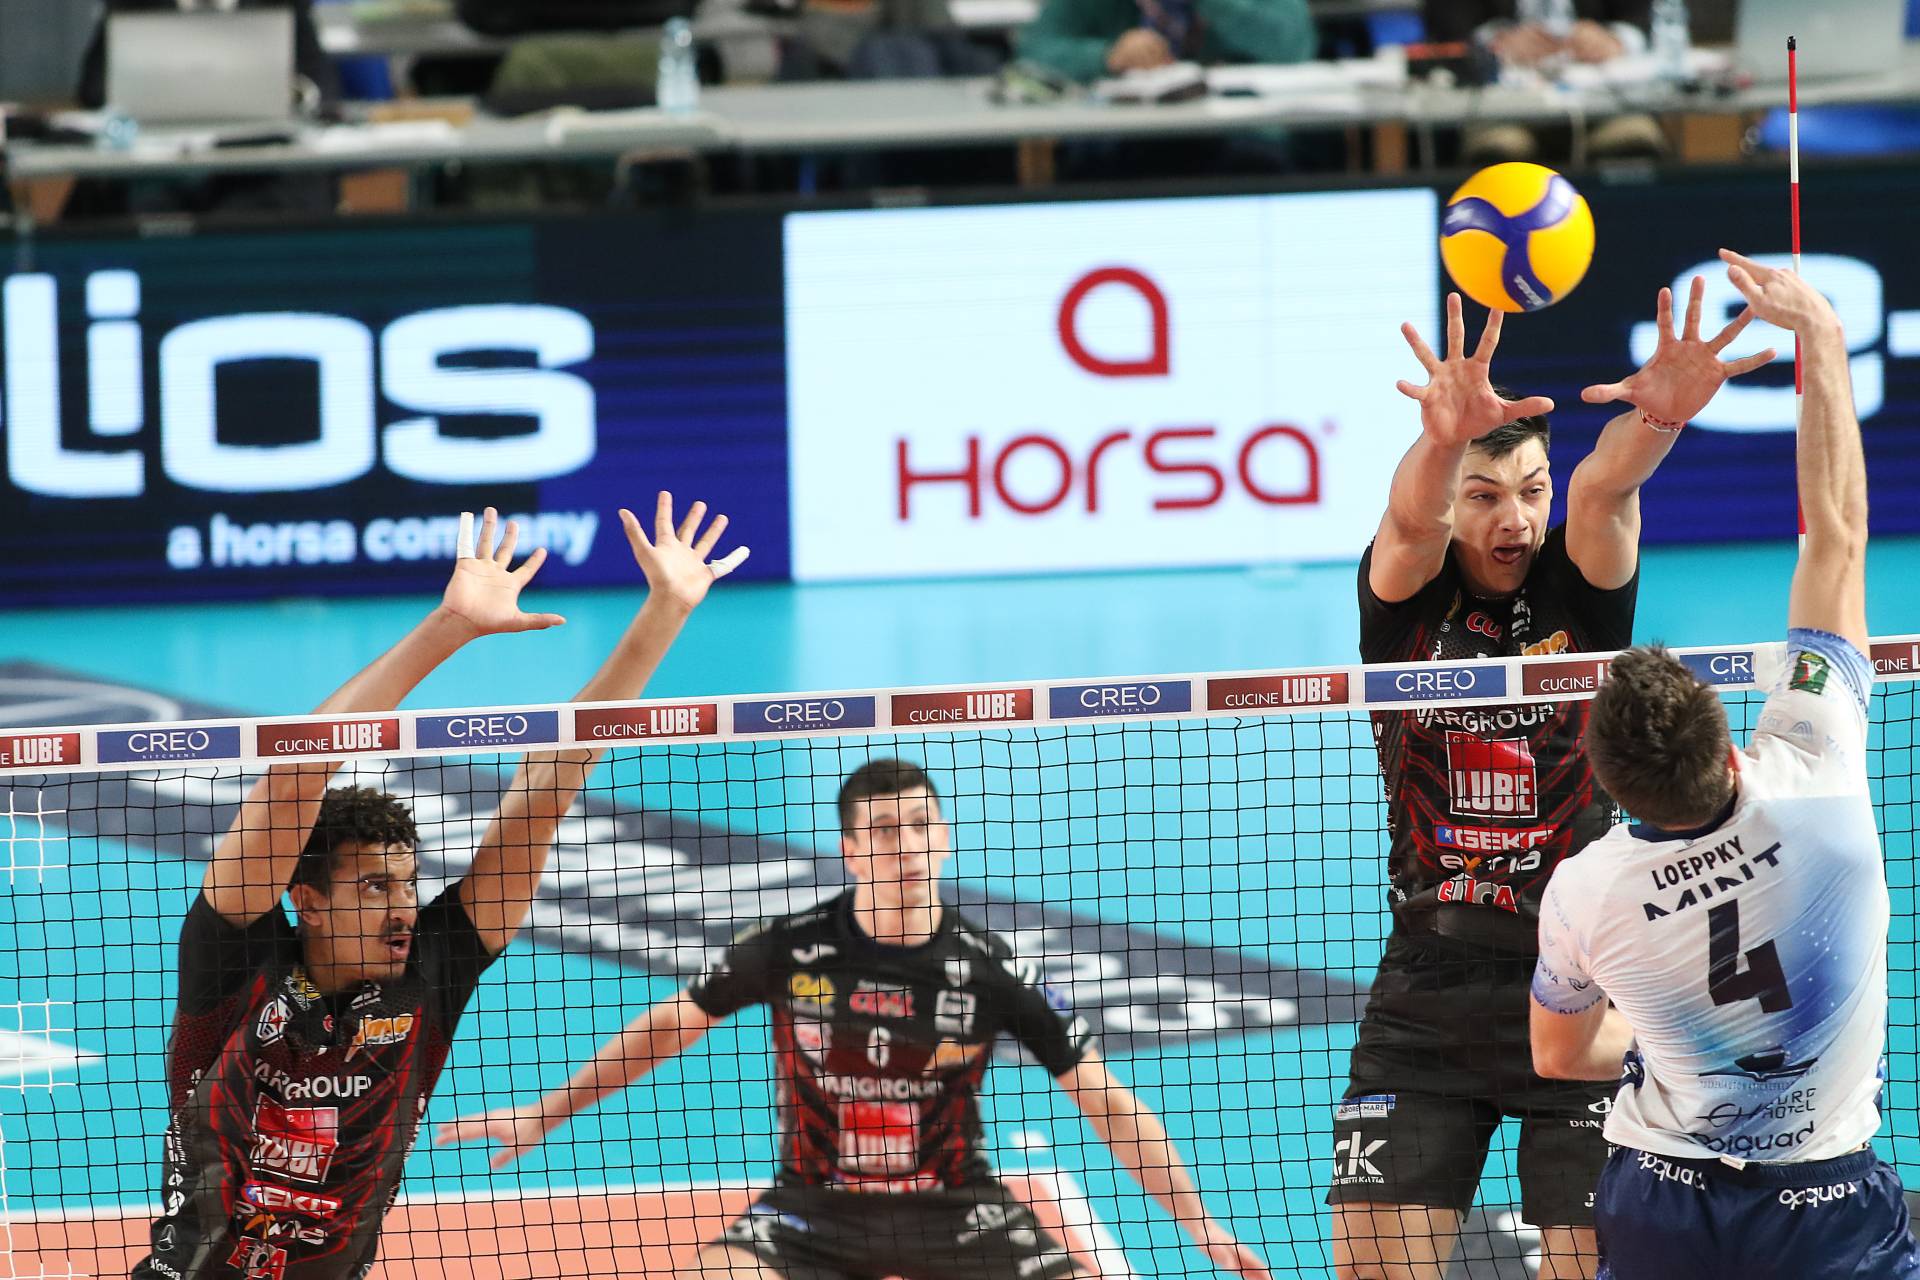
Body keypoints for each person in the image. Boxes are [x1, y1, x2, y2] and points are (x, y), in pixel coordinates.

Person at [133, 495, 747, 1280]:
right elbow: (295, 778)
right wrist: (451, 627)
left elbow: (551, 782)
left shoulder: (435, 965)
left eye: (407, 883)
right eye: (373, 887)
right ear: (307, 900)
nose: (402, 907)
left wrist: (665, 611)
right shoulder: (235, 959)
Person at [1331, 284, 1776, 1279]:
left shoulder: (1582, 589)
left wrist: (1659, 420)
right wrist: (1440, 443)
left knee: (1594, 1268)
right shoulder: (1405, 601)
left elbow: (1606, 488)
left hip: (1584, 978)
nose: (1517, 517)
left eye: (1531, 490)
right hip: (1428, 988)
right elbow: (1408, 520)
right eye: (1485, 495)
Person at [438, 757, 1269, 1280]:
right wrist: (546, 1111)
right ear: (849, 850)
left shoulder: (994, 968)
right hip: (813, 1211)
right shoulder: (788, 946)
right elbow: (668, 1026)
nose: (905, 845)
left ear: (945, 838)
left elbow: (1108, 1103)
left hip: (958, 1210)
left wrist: (1197, 1223)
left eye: (920, 826)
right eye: (883, 831)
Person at [1530, 250, 1920, 1279]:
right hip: (1824, 1207)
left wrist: (1674, 1037)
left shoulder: (1586, 888)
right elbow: (1837, 535)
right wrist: (1821, 335)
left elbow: (1560, 1055)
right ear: (1727, 736)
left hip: (1661, 1200)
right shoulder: (1817, 775)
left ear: (1612, 785)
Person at [1423, 0, 1667, 162]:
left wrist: (1616, 39)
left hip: (1602, 99)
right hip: (1499, 104)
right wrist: (1495, 42)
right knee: (1501, 150)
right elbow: (1446, 23)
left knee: (1633, 139)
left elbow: (1646, 13)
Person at [1014, 0, 1315, 85]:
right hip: (1123, 135)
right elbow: (1031, 53)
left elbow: (1296, 46)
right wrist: (1106, 56)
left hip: (1241, 137)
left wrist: (1220, 6)